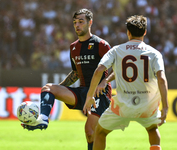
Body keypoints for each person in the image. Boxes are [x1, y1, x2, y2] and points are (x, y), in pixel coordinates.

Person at [21, 8, 112, 150]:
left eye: (81, 22)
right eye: (75, 22)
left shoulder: (101, 44)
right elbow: (75, 73)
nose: (77, 25)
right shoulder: (74, 47)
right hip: (82, 92)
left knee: (90, 132)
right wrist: (60, 89)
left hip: (99, 93)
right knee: (48, 88)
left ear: (90, 23)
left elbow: (116, 67)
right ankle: (43, 119)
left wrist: (104, 82)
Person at [83, 15, 169, 150]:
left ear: (128, 32)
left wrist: (90, 96)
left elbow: (99, 70)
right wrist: (165, 106)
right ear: (145, 32)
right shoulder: (154, 53)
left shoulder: (117, 50)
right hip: (147, 105)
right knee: (152, 130)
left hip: (123, 107)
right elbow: (162, 79)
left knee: (100, 132)